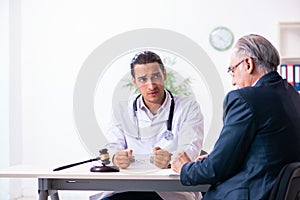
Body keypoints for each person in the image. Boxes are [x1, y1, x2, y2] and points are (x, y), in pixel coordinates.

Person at [171, 34, 300, 200]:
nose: (233, 82)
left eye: (232, 71)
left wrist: (185, 168)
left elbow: (215, 169)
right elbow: (268, 150)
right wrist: (216, 156)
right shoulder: (293, 96)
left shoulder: (245, 99)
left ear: (248, 64)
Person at [90, 51, 204, 200]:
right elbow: (111, 146)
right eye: (143, 79)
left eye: (155, 76)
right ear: (134, 82)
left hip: (168, 192)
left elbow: (190, 150)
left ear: (164, 74)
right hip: (125, 190)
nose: (151, 85)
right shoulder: (122, 110)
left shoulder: (188, 107)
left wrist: (170, 160)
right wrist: (115, 158)